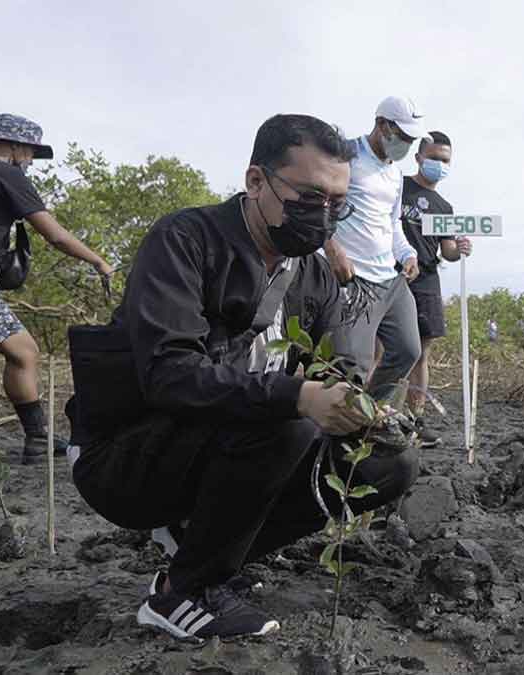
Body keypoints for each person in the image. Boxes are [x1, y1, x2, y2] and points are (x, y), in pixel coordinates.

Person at [66, 114, 420, 641]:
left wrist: (359, 410)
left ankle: (205, 552)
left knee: (390, 464)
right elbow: (170, 376)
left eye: (337, 203)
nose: (323, 215)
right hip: (124, 456)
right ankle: (182, 593)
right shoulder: (186, 240)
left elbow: (339, 367)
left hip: (225, 444)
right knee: (287, 419)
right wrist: (299, 395)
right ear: (256, 182)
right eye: (308, 197)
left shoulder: (314, 273)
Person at [0, 113, 114, 464]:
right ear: (15, 146)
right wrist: (98, 261)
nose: (31, 160)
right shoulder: (6, 173)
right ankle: (36, 439)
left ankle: (37, 439)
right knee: (24, 353)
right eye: (30, 152)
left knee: (24, 352)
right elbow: (55, 234)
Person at [322, 96, 433, 444]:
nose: (408, 145)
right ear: (382, 125)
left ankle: (368, 414)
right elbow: (321, 207)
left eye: (413, 140)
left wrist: (408, 254)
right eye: (404, 136)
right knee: (350, 363)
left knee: (408, 349)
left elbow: (393, 223)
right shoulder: (346, 156)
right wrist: (332, 249)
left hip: (390, 276)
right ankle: (340, 434)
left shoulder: (394, 175)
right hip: (356, 279)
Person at [400, 131, 471, 446]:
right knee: (384, 350)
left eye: (445, 161)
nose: (439, 165)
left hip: (427, 280)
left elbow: (448, 252)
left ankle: (415, 421)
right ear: (418, 157)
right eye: (434, 158)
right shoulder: (397, 188)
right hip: (392, 275)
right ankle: (380, 416)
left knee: (420, 354)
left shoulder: (444, 207)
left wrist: (461, 247)